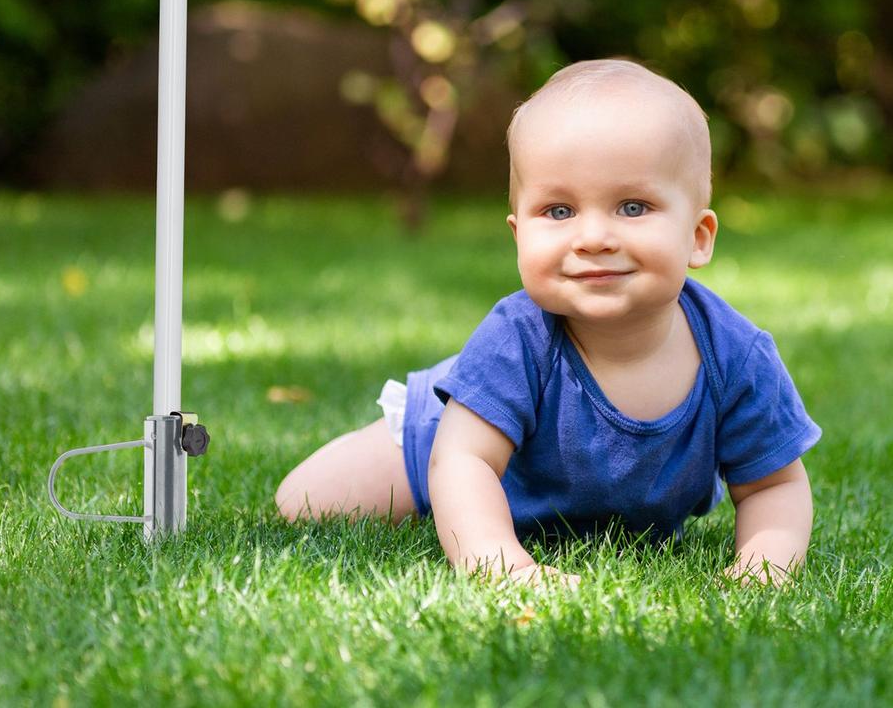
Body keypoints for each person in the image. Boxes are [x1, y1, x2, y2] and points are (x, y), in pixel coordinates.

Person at [275, 59, 821, 586]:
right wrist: (502, 566)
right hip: (443, 442)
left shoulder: (735, 356)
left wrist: (762, 570)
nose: (592, 237)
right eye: (559, 212)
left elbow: (774, 487)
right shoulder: (518, 335)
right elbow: (463, 461)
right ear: (519, 235)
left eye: (632, 207)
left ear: (698, 237)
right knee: (306, 504)